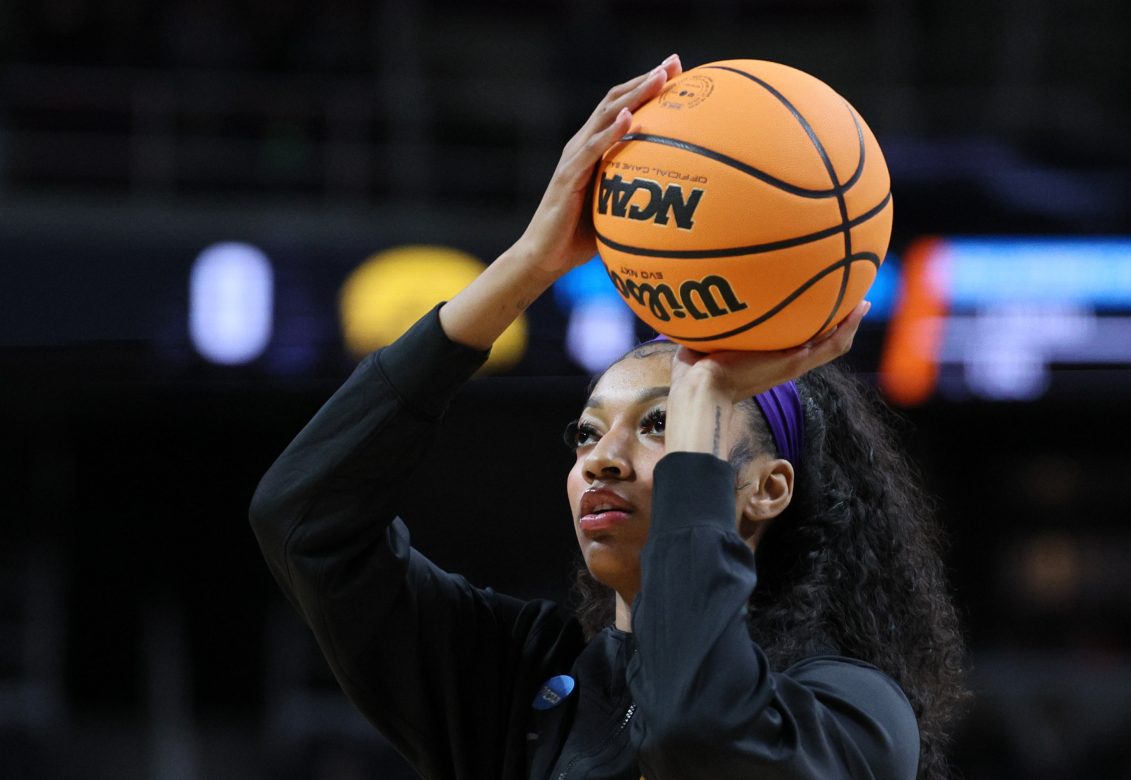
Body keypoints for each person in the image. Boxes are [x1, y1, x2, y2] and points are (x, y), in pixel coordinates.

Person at [250, 54, 967, 779]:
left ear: (767, 488)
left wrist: (706, 407)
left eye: (661, 425)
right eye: (587, 432)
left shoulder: (852, 710)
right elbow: (305, 517)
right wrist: (526, 265)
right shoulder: (522, 680)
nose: (603, 457)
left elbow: (694, 733)